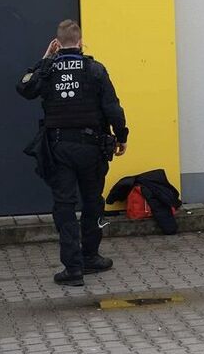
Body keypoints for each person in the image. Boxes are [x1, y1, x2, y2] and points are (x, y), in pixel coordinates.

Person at [16, 19, 129, 285]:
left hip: (59, 149)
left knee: (64, 207)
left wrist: (45, 59)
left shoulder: (49, 69)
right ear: (80, 42)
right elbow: (113, 108)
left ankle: (73, 270)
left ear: (56, 43)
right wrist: (122, 136)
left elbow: (24, 87)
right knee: (93, 202)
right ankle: (91, 257)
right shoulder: (95, 70)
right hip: (92, 148)